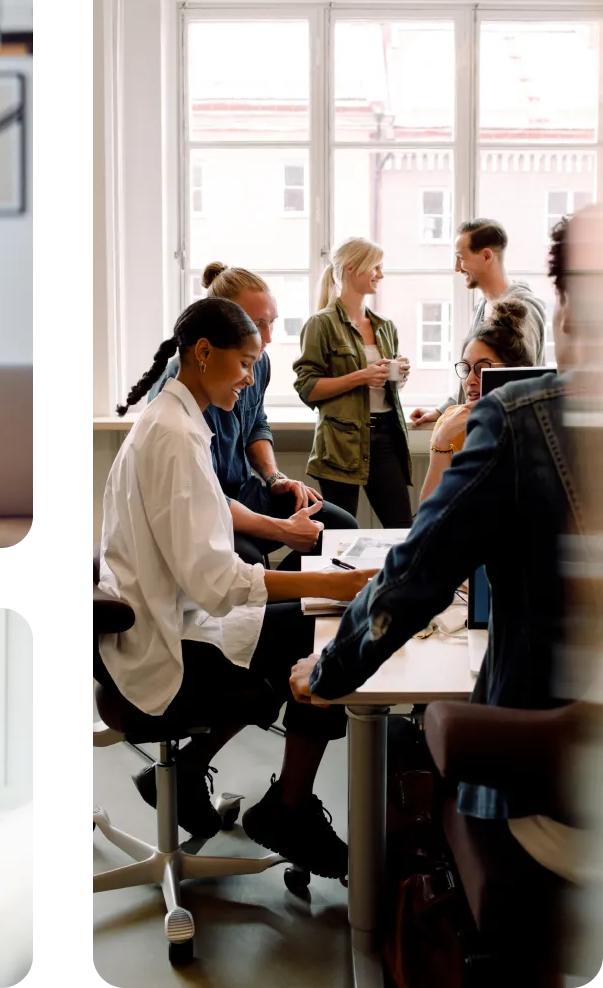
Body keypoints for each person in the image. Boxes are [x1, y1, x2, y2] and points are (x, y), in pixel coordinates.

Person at [289, 213, 579, 832]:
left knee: (403, 742)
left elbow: (417, 572)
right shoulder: (507, 416)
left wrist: (332, 668)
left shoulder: (521, 419)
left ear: (568, 314)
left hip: (549, 797)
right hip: (349, 443)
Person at [98, 296, 378, 878]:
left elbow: (207, 564)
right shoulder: (174, 434)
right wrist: (332, 582)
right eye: (245, 363)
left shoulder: (177, 422)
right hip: (166, 644)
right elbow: (218, 582)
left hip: (173, 617)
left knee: (311, 620)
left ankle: (271, 799)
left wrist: (320, 581)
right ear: (203, 354)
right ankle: (289, 810)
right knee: (324, 633)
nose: (251, 377)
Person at [148, 261, 358, 572]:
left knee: (341, 527)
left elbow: (256, 423)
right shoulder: (179, 387)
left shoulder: (260, 363)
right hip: (207, 505)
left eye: (272, 322)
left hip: (244, 492)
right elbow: (203, 498)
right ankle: (270, 608)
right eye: (257, 324)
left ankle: (288, 602)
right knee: (246, 557)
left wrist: (274, 478)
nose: (268, 338)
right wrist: (282, 529)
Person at [293, 238, 414, 527]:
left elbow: (382, 389)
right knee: (339, 534)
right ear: (351, 268)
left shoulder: (385, 327)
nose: (381, 275)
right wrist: (362, 376)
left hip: (386, 437)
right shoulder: (320, 324)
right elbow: (307, 388)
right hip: (340, 444)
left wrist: (399, 376)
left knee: (401, 529)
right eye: (376, 267)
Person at [409, 218, 547, 428]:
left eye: (460, 258)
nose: (457, 268)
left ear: (486, 256)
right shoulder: (482, 308)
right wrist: (440, 411)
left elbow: (525, 382)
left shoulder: (523, 310)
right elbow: (475, 375)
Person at [418, 298, 540, 503]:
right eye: (465, 369)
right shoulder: (451, 422)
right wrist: (441, 440)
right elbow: (427, 515)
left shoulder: (536, 423)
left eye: (483, 369)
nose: (470, 380)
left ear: (513, 372)